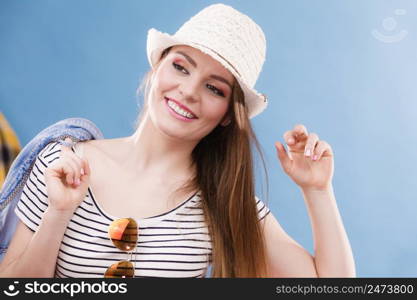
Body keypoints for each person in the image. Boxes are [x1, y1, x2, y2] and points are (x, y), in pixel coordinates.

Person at [0, 3, 355, 278]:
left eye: (214, 88)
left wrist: (318, 190)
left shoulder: (228, 207)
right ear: (157, 68)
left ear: (229, 114)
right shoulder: (61, 163)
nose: (188, 91)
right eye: (181, 67)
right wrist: (58, 212)